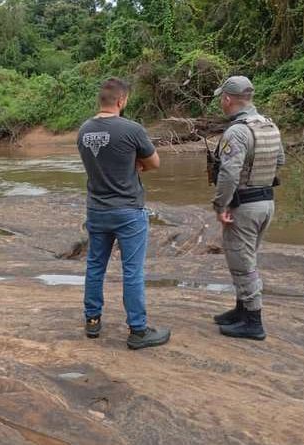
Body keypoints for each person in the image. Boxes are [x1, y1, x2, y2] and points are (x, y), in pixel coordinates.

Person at [77, 77, 171, 350]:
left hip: (96, 209)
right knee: (132, 271)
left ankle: (92, 321)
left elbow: (97, 162)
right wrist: (135, 162)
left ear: (101, 101)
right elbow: (154, 163)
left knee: (95, 265)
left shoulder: (83, 130)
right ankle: (138, 330)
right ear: (121, 101)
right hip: (128, 209)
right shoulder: (131, 129)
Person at [211, 76, 285, 340]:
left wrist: (221, 205)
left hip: (245, 205)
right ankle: (241, 310)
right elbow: (280, 161)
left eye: (222, 98)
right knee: (246, 258)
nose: (221, 101)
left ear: (228, 99)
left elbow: (229, 174)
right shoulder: (270, 126)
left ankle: (253, 321)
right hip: (266, 202)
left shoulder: (237, 131)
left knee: (242, 263)